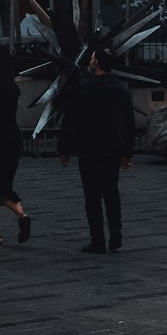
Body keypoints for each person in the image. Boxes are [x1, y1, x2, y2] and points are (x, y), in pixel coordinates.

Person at [57, 48, 135, 254]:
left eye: (92, 58)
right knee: (111, 190)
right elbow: (129, 122)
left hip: (90, 148)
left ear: (97, 63)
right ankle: (116, 229)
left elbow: (72, 120)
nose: (89, 61)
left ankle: (98, 240)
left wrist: (64, 148)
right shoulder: (121, 89)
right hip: (114, 148)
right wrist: (128, 153)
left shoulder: (85, 88)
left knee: (92, 196)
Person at [0, 53, 30, 246]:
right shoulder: (13, 89)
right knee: (4, 185)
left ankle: (21, 215)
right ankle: (22, 215)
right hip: (12, 138)